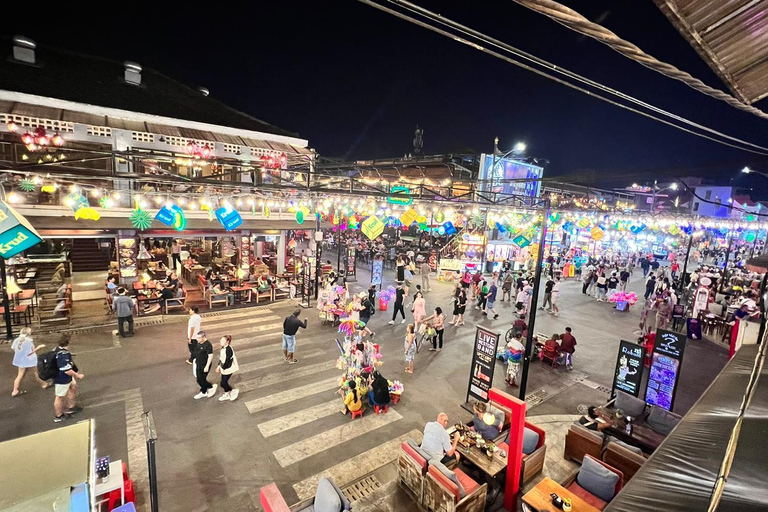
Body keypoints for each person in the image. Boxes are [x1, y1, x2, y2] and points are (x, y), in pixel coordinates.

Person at [53, 336, 84, 422]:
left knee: (73, 386)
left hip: (66, 377)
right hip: (62, 378)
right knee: (59, 397)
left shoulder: (56, 350)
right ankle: (58, 416)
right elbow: (66, 370)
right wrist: (77, 375)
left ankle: (71, 406)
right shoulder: (63, 355)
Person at [11, 327, 48, 396]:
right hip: (30, 360)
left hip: (21, 360)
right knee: (36, 372)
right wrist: (39, 347)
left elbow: (14, 349)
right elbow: (32, 352)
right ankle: (43, 384)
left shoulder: (16, 340)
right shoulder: (29, 341)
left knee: (19, 375)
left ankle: (15, 390)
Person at [193, 331, 217, 399]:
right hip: (198, 363)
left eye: (199, 338)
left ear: (204, 337)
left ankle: (204, 392)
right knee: (199, 379)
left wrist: (207, 366)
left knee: (201, 379)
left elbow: (210, 356)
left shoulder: (208, 345)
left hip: (204, 365)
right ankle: (209, 387)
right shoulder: (199, 343)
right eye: (197, 338)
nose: (197, 339)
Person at [215, 335, 239, 401]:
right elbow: (221, 358)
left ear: (227, 342)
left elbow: (227, 361)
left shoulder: (228, 350)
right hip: (225, 367)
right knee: (223, 382)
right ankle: (231, 390)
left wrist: (221, 368)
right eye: (221, 340)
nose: (220, 341)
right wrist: (218, 366)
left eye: (223, 340)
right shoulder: (224, 347)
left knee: (223, 383)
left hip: (228, 368)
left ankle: (227, 394)